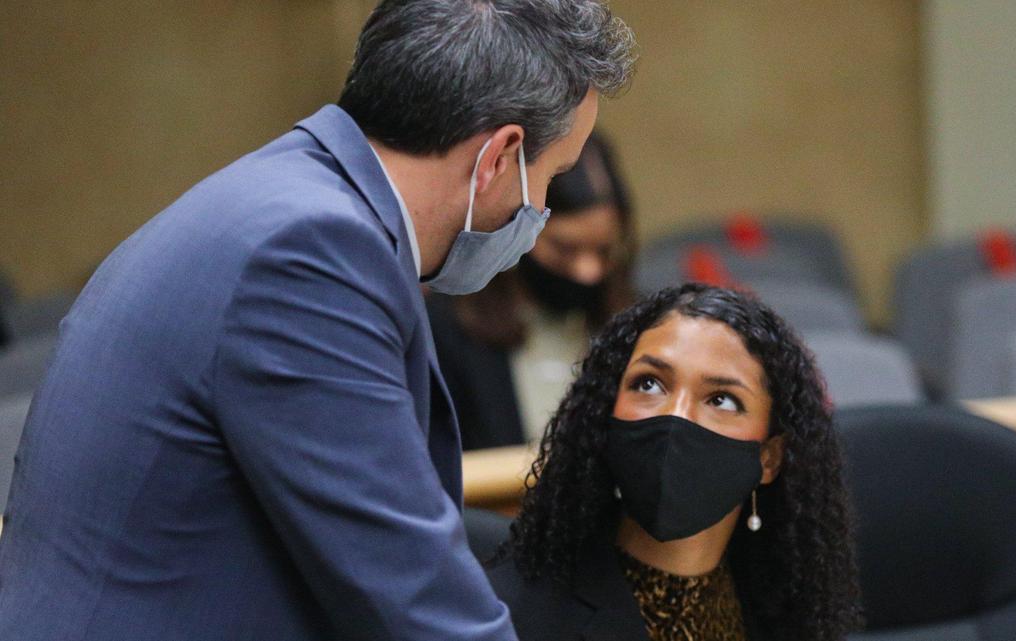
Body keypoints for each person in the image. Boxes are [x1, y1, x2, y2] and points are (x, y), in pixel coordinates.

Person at [0, 2, 635, 640]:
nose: (542, 208)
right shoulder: (312, 253)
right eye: (552, 177)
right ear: (500, 155)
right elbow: (414, 593)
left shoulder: (287, 198)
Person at [486, 284, 862, 641]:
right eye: (649, 384)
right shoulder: (511, 617)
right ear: (605, 410)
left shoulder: (780, 610)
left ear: (769, 459)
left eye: (721, 400)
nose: (675, 417)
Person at [428, 132, 636, 449]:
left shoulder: (639, 325)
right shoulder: (446, 329)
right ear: (520, 230)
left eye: (604, 251)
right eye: (565, 249)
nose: (588, 271)